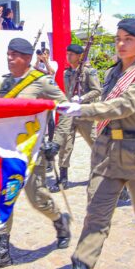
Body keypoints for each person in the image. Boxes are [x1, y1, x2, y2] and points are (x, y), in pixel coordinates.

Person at [45, 19, 135, 269]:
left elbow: (124, 106)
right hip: (107, 152)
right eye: (118, 38)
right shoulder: (113, 73)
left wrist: (83, 109)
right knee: (96, 217)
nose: (121, 43)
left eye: (128, 39)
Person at [0, 37, 72, 269]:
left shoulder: (42, 82)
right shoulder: (4, 83)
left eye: (14, 54)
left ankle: (59, 220)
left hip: (31, 152)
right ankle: (2, 251)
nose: (9, 58)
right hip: (5, 152)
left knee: (37, 197)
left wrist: (56, 142)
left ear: (27, 58)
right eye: (8, 53)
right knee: (1, 197)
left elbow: (66, 110)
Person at [51, 43, 101, 192]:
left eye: (71, 54)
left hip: (84, 113)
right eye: (68, 54)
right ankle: (63, 178)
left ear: (80, 56)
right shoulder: (67, 73)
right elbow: (66, 92)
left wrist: (82, 98)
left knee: (96, 144)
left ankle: (105, 173)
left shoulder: (89, 72)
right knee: (66, 145)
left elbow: (97, 90)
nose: (68, 56)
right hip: (70, 113)